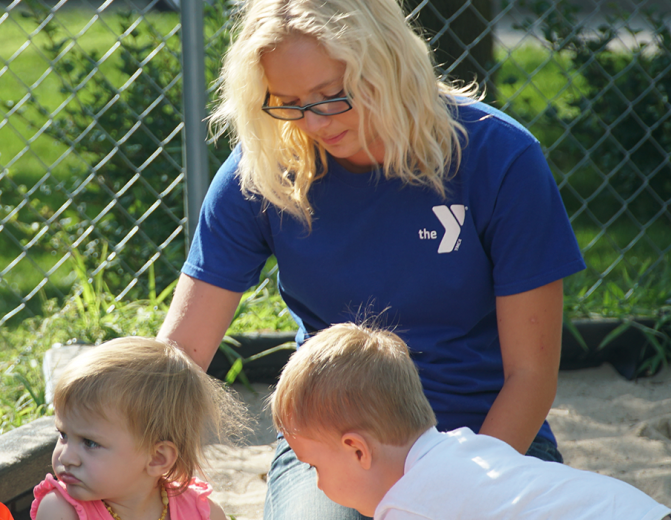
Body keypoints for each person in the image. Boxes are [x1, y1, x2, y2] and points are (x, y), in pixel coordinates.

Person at [157, 0, 588, 518]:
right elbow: (179, 358)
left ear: (387, 61)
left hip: (485, 436)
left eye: (331, 95)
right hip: (332, 444)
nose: (312, 123)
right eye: (288, 102)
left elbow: (531, 375)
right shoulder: (265, 169)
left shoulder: (499, 157)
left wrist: (457, 488)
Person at [271, 323, 671, 520]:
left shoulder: (408, 506)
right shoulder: (467, 446)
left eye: (314, 467)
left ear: (357, 449)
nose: (317, 484)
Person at [31, 337, 246, 520]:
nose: (66, 457)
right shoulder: (61, 511)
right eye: (63, 435)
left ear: (157, 458)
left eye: (90, 443)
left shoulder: (201, 513)